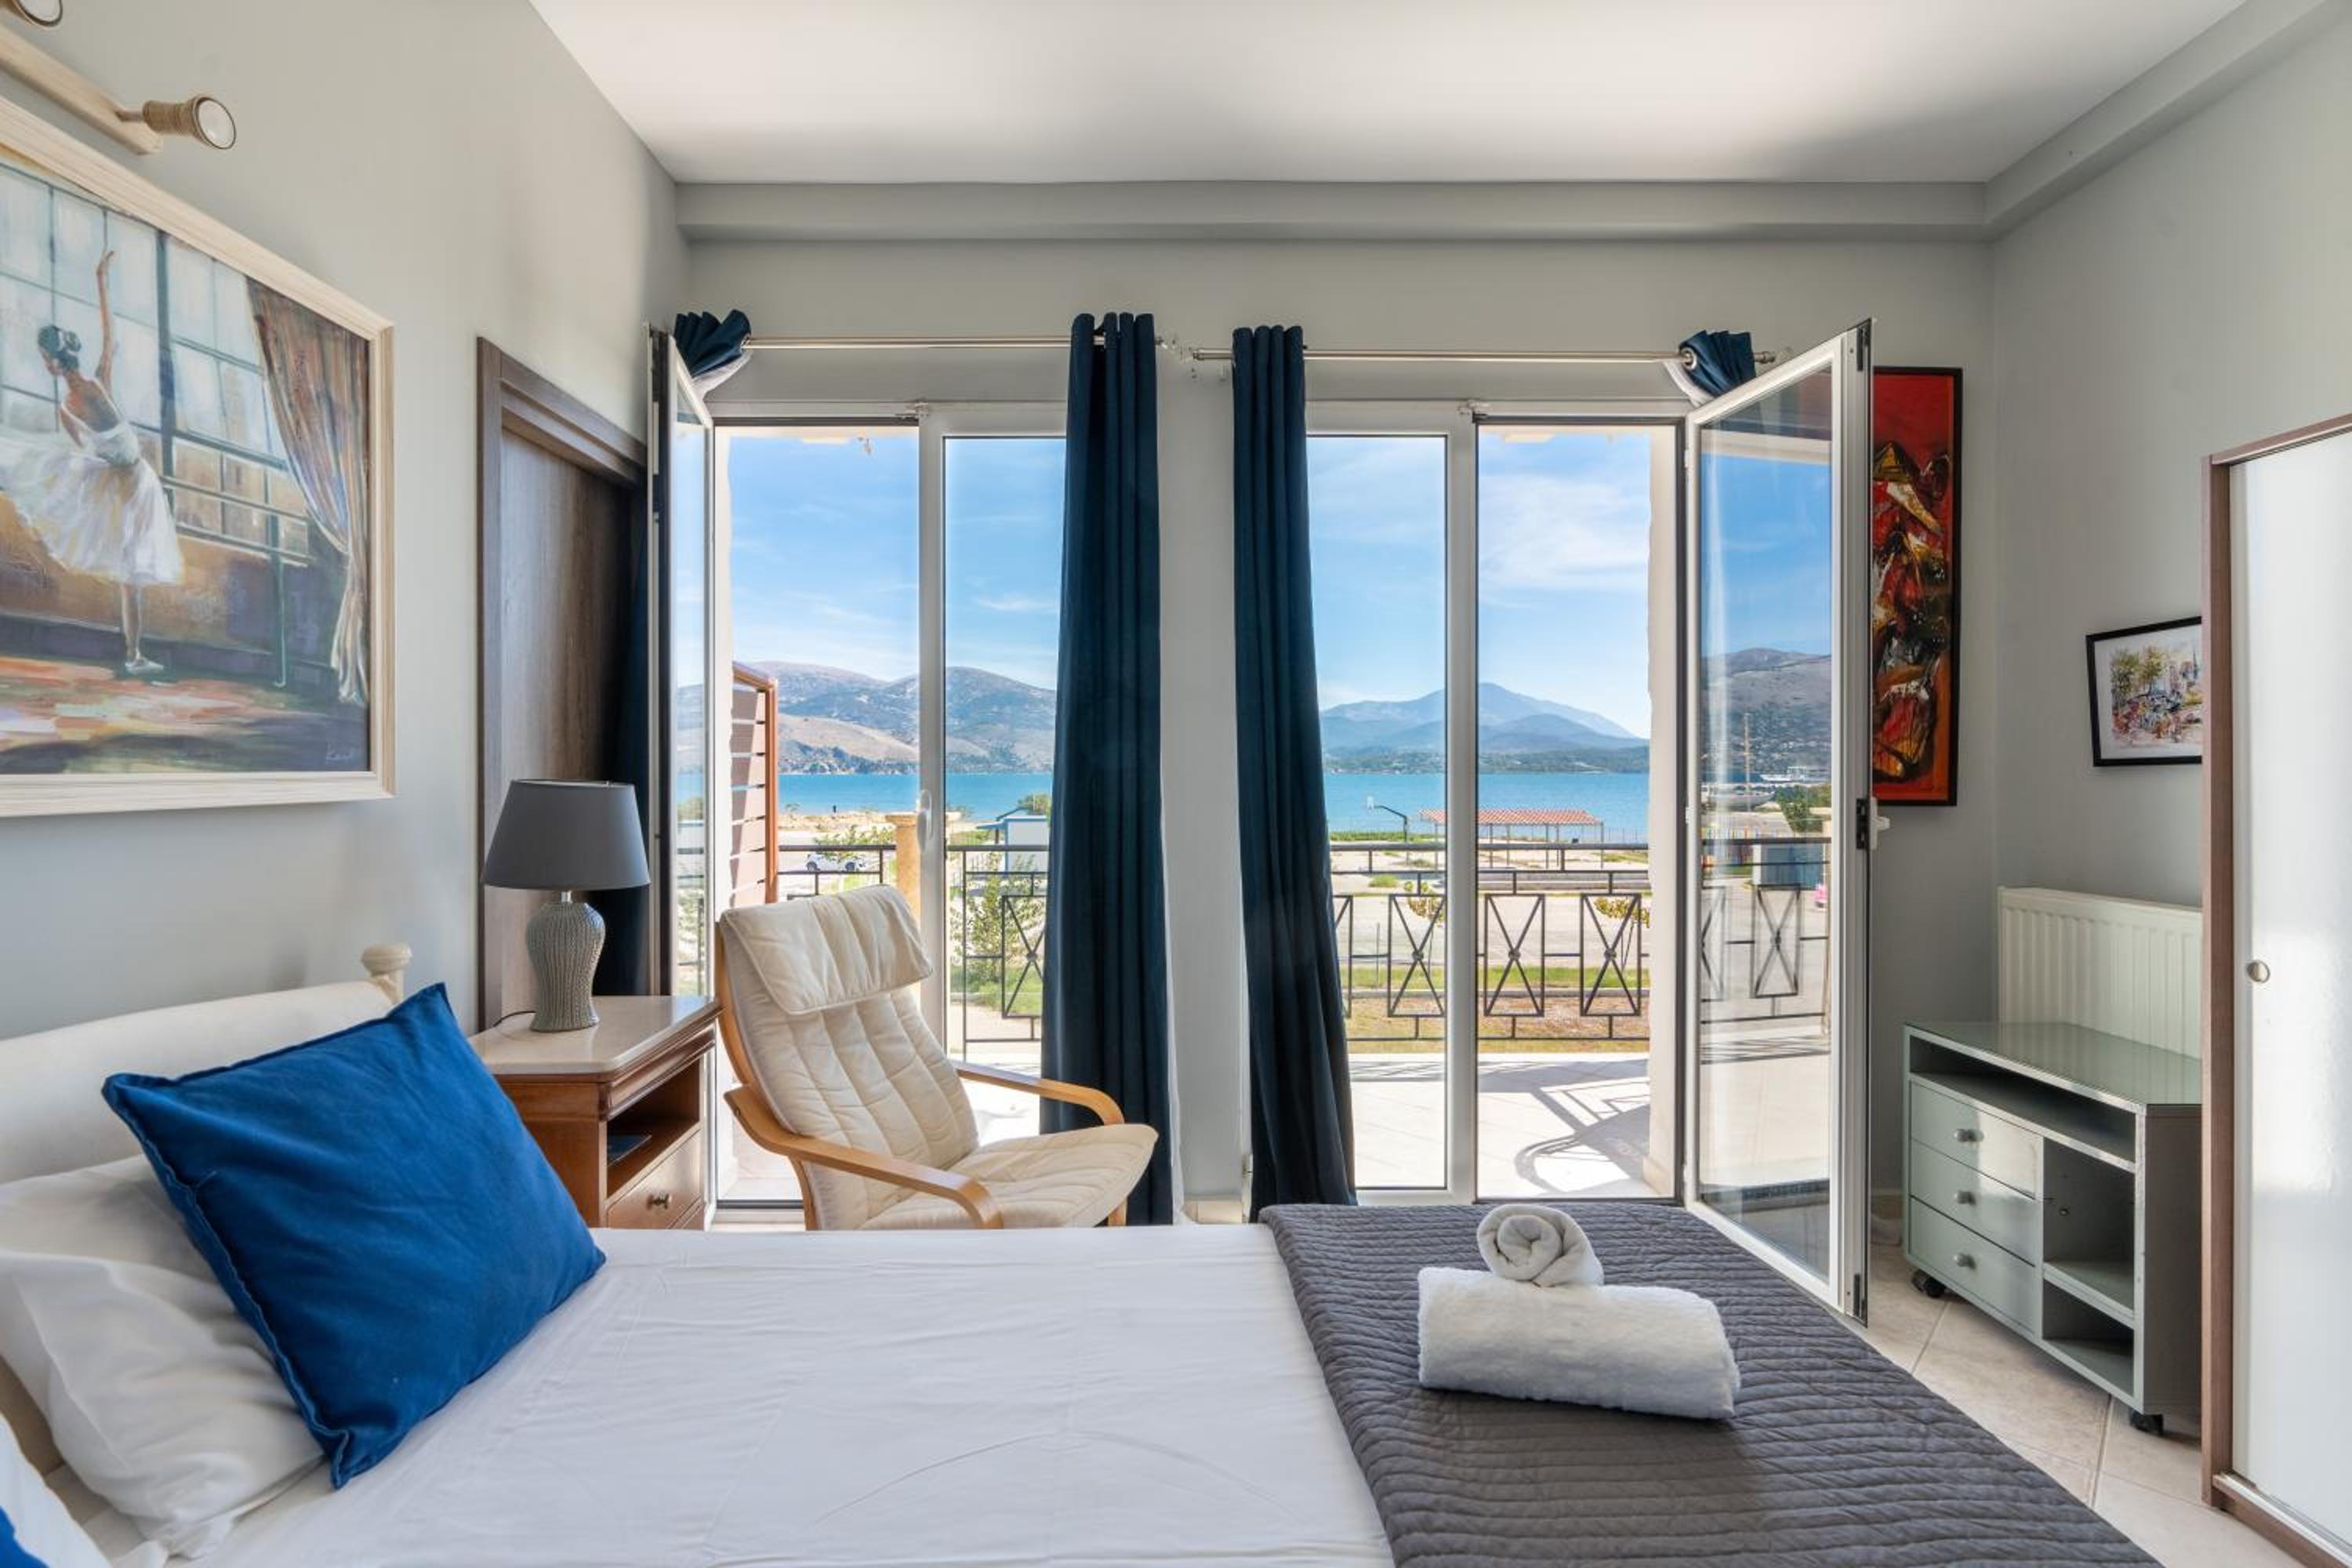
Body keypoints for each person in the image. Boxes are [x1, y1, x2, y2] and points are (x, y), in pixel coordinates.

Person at [4, 249, 183, 674]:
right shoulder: (92, 386)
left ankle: (134, 653)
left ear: (54, 363)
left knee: (132, 577)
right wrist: (101, 281)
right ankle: (134, 654)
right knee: (131, 577)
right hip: (125, 482)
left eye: (45, 360)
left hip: (136, 482)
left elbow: (109, 336)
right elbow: (110, 336)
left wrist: (101, 280)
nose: (45, 365)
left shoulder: (82, 395)